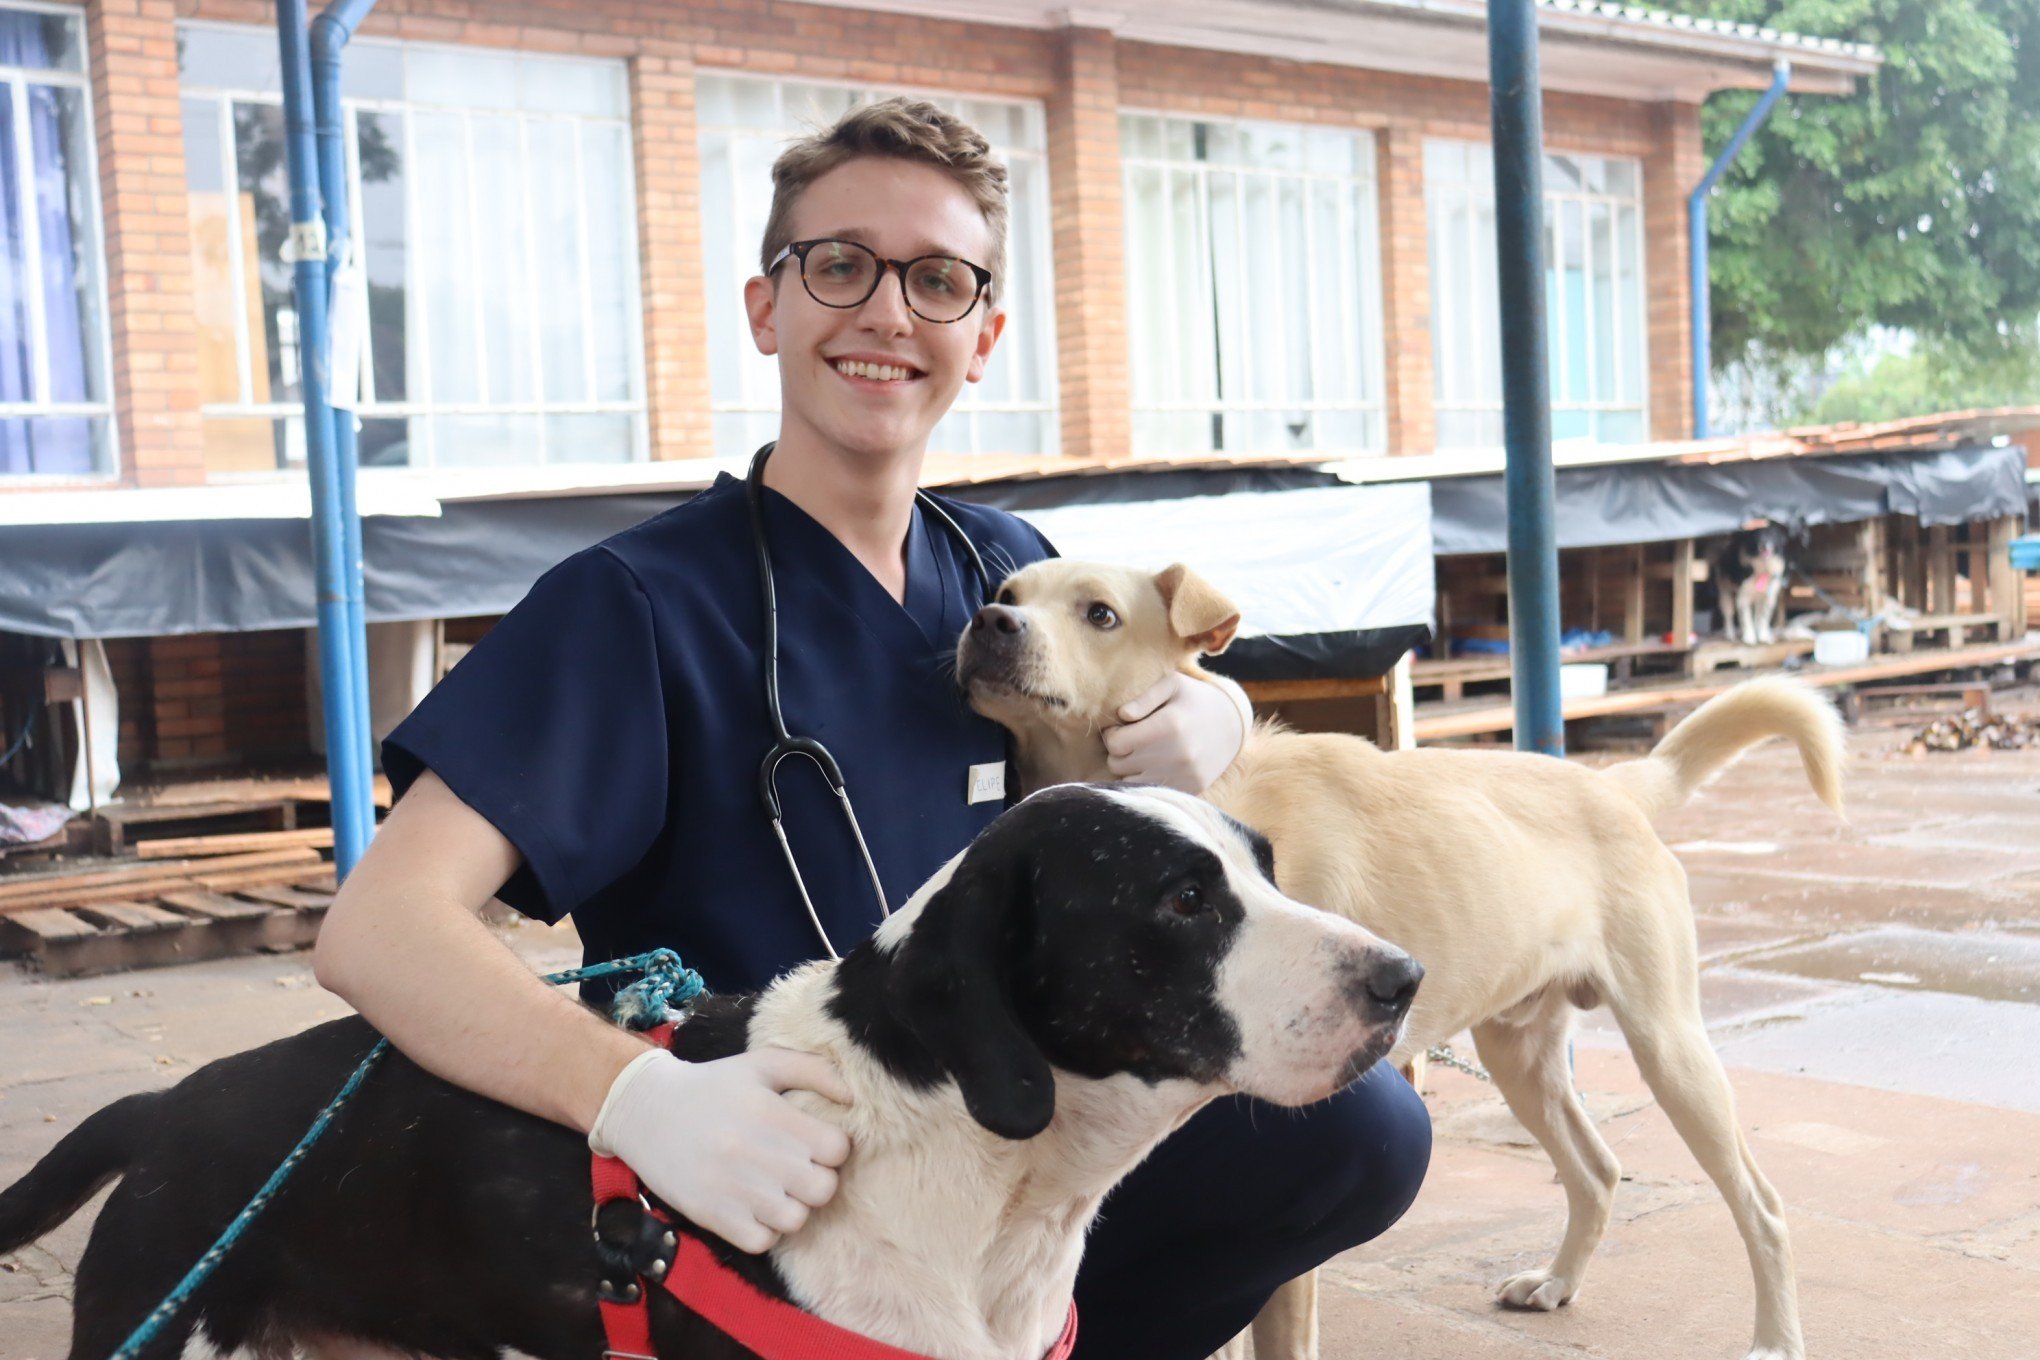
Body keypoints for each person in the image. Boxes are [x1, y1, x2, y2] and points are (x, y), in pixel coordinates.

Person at [314, 97, 1429, 1359]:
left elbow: (1167, 694)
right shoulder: (636, 607)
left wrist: (1214, 717)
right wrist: (636, 1098)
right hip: (789, 1168)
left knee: (1360, 1135)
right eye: (839, 265)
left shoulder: (1007, 573)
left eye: (938, 280)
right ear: (764, 308)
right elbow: (379, 928)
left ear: (985, 332)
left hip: (1013, 1125)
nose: (889, 313)